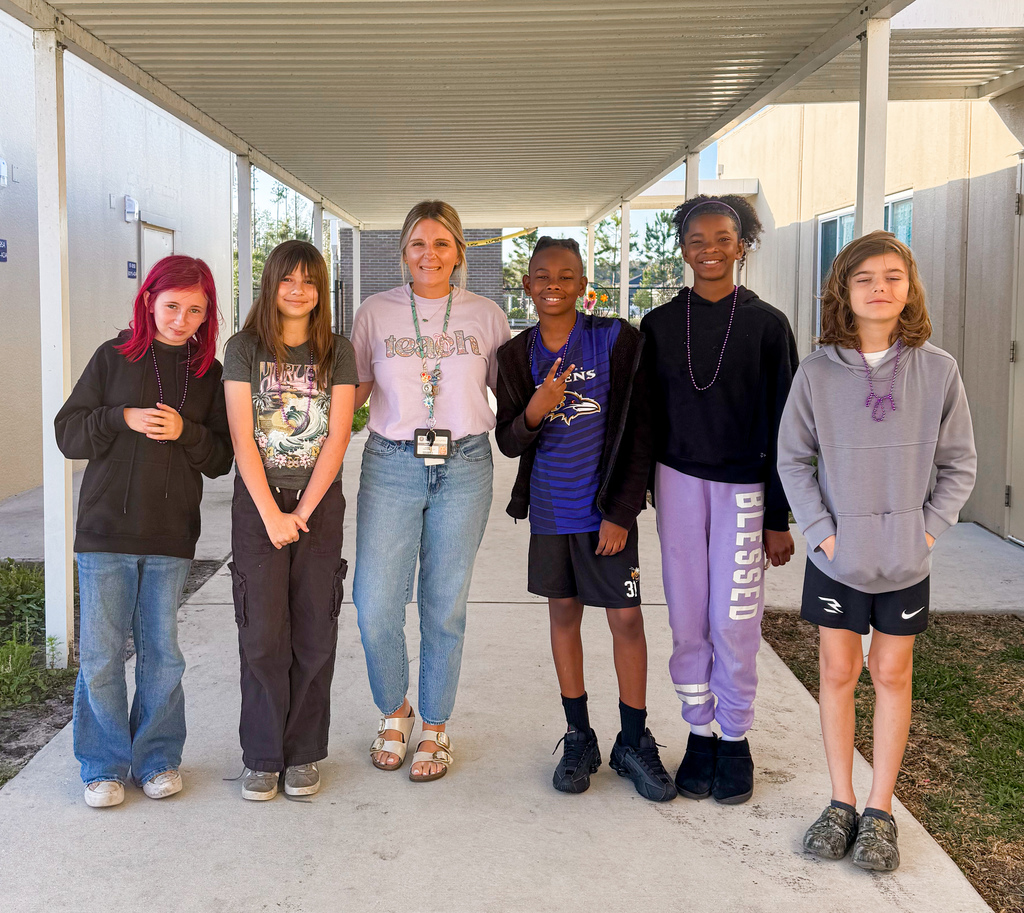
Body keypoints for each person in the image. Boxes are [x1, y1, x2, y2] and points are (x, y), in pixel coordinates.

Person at [779, 231, 976, 871]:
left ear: (909, 289)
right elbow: (793, 460)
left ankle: (880, 810)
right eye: (865, 277)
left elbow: (958, 466)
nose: (880, 287)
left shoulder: (938, 370)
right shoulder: (816, 373)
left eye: (893, 276)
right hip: (836, 557)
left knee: (892, 675)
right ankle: (840, 803)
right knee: (839, 674)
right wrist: (822, 533)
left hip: (903, 559)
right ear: (844, 290)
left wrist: (924, 531)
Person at [495, 237, 675, 801]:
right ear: (527, 285)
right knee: (564, 616)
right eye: (542, 275)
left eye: (566, 276)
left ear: (582, 285)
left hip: (606, 518)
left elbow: (642, 431)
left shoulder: (616, 340)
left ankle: (632, 739)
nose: (553, 284)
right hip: (551, 513)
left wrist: (621, 513)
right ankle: (579, 735)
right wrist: (535, 409)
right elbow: (508, 439)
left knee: (625, 621)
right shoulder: (514, 355)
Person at [55, 255, 233, 808]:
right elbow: (68, 433)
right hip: (106, 531)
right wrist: (118, 418)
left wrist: (186, 432)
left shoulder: (210, 375)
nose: (181, 319)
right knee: (104, 655)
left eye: (195, 310)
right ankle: (104, 766)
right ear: (150, 300)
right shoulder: (113, 358)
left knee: (162, 654)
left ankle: (157, 759)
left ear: (207, 316)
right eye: (172, 305)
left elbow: (222, 457)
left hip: (170, 533)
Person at [640, 194, 798, 805]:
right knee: (686, 617)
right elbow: (645, 419)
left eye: (722, 238)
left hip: (745, 488)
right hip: (676, 481)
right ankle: (699, 731)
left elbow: (786, 424)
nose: (709, 249)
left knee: (734, 620)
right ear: (681, 248)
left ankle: (735, 736)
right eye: (697, 239)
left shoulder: (767, 324)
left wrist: (778, 518)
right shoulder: (657, 325)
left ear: (742, 244)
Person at [350, 200, 511, 782]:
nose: (429, 255)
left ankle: (436, 726)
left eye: (442, 244)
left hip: (465, 463)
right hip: (392, 462)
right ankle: (395, 710)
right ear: (403, 251)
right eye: (419, 243)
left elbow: (510, 392)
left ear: (460, 252)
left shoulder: (487, 314)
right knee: (373, 603)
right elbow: (354, 389)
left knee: (444, 607)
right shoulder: (375, 312)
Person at [222, 239, 357, 801]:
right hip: (258, 507)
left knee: (314, 631)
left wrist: (301, 511)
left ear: (320, 290)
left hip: (318, 507)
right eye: (287, 279)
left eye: (308, 280)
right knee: (261, 635)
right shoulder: (244, 347)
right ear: (271, 285)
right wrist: (271, 512)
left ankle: (302, 754)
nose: (297, 290)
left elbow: (338, 434)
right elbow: (241, 434)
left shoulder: (338, 351)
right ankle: (262, 755)